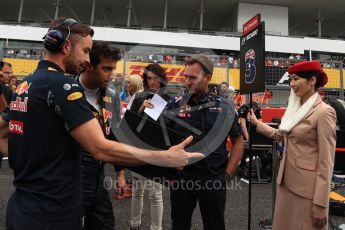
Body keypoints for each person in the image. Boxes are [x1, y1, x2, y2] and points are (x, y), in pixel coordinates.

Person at [0, 17, 203, 230]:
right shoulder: (63, 85)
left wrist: (28, 160)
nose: (87, 58)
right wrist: (165, 158)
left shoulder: (26, 84)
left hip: (26, 202)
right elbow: (100, 148)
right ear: (66, 46)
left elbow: (3, 134)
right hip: (53, 209)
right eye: (86, 50)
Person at [247, 60, 336, 230]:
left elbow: (327, 162)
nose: (292, 84)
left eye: (296, 79)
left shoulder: (324, 112)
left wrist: (321, 203)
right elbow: (281, 135)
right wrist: (256, 123)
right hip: (286, 182)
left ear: (312, 81)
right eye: (291, 79)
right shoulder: (295, 108)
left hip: (307, 190)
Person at [164, 54, 244, 230]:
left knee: (215, 225)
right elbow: (158, 136)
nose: (187, 81)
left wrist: (228, 174)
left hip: (214, 177)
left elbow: (238, 141)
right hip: (182, 178)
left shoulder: (225, 106)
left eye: (193, 77)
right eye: (186, 76)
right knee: (179, 225)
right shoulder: (175, 103)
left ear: (207, 78)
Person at [77, 41, 131, 230]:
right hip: (69, 178)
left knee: (106, 225)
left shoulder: (112, 96)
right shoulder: (65, 89)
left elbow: (115, 135)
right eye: (106, 68)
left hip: (98, 176)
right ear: (89, 66)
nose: (112, 74)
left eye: (114, 68)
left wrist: (121, 174)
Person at [128, 63, 169, 230]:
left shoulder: (170, 100)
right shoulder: (138, 98)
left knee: (156, 194)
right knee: (137, 191)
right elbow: (129, 125)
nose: (152, 81)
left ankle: (156, 228)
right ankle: (134, 225)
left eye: (155, 78)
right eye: (149, 78)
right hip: (139, 150)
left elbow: (171, 127)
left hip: (158, 152)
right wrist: (140, 109)